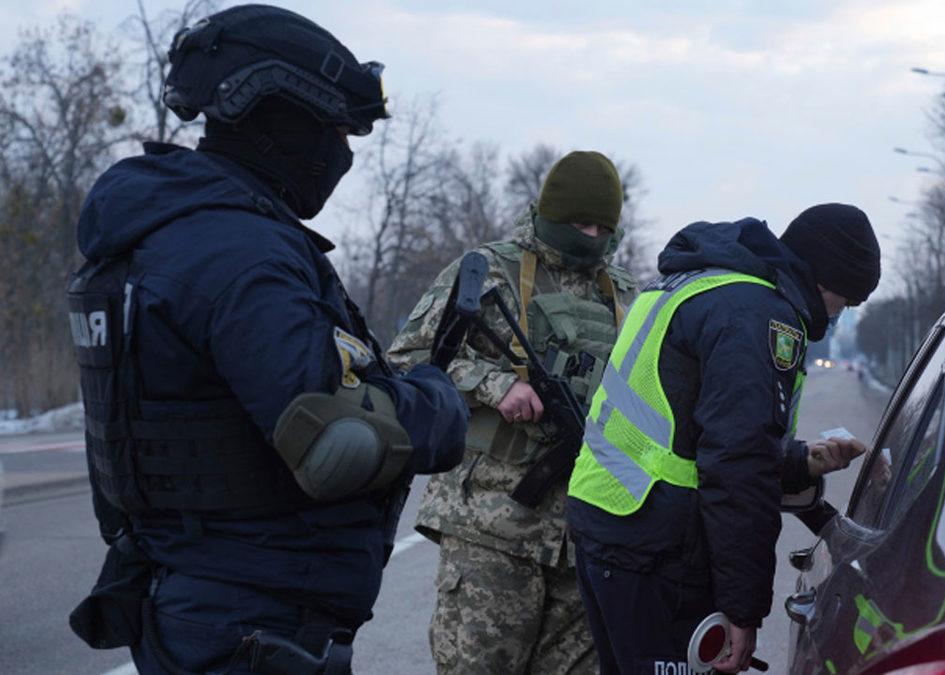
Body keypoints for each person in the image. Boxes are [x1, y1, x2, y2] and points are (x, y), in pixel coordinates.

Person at [66, 5, 468, 674]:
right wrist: (436, 399)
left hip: (200, 599)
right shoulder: (236, 252)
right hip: (248, 620)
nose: (342, 152)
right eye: (337, 130)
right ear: (281, 118)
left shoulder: (161, 231)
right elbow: (341, 443)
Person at [566, 204, 882, 674]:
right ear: (824, 280)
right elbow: (737, 465)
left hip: (609, 522)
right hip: (658, 549)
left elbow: (689, 431)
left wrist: (800, 461)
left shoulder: (695, 284)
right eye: (846, 299)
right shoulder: (758, 315)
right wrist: (743, 609)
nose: (840, 314)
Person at [387, 150, 639, 674]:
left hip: (585, 533)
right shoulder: (490, 270)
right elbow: (408, 359)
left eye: (602, 226)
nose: (591, 236)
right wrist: (494, 383)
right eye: (579, 223)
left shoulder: (627, 294)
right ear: (551, 213)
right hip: (491, 524)